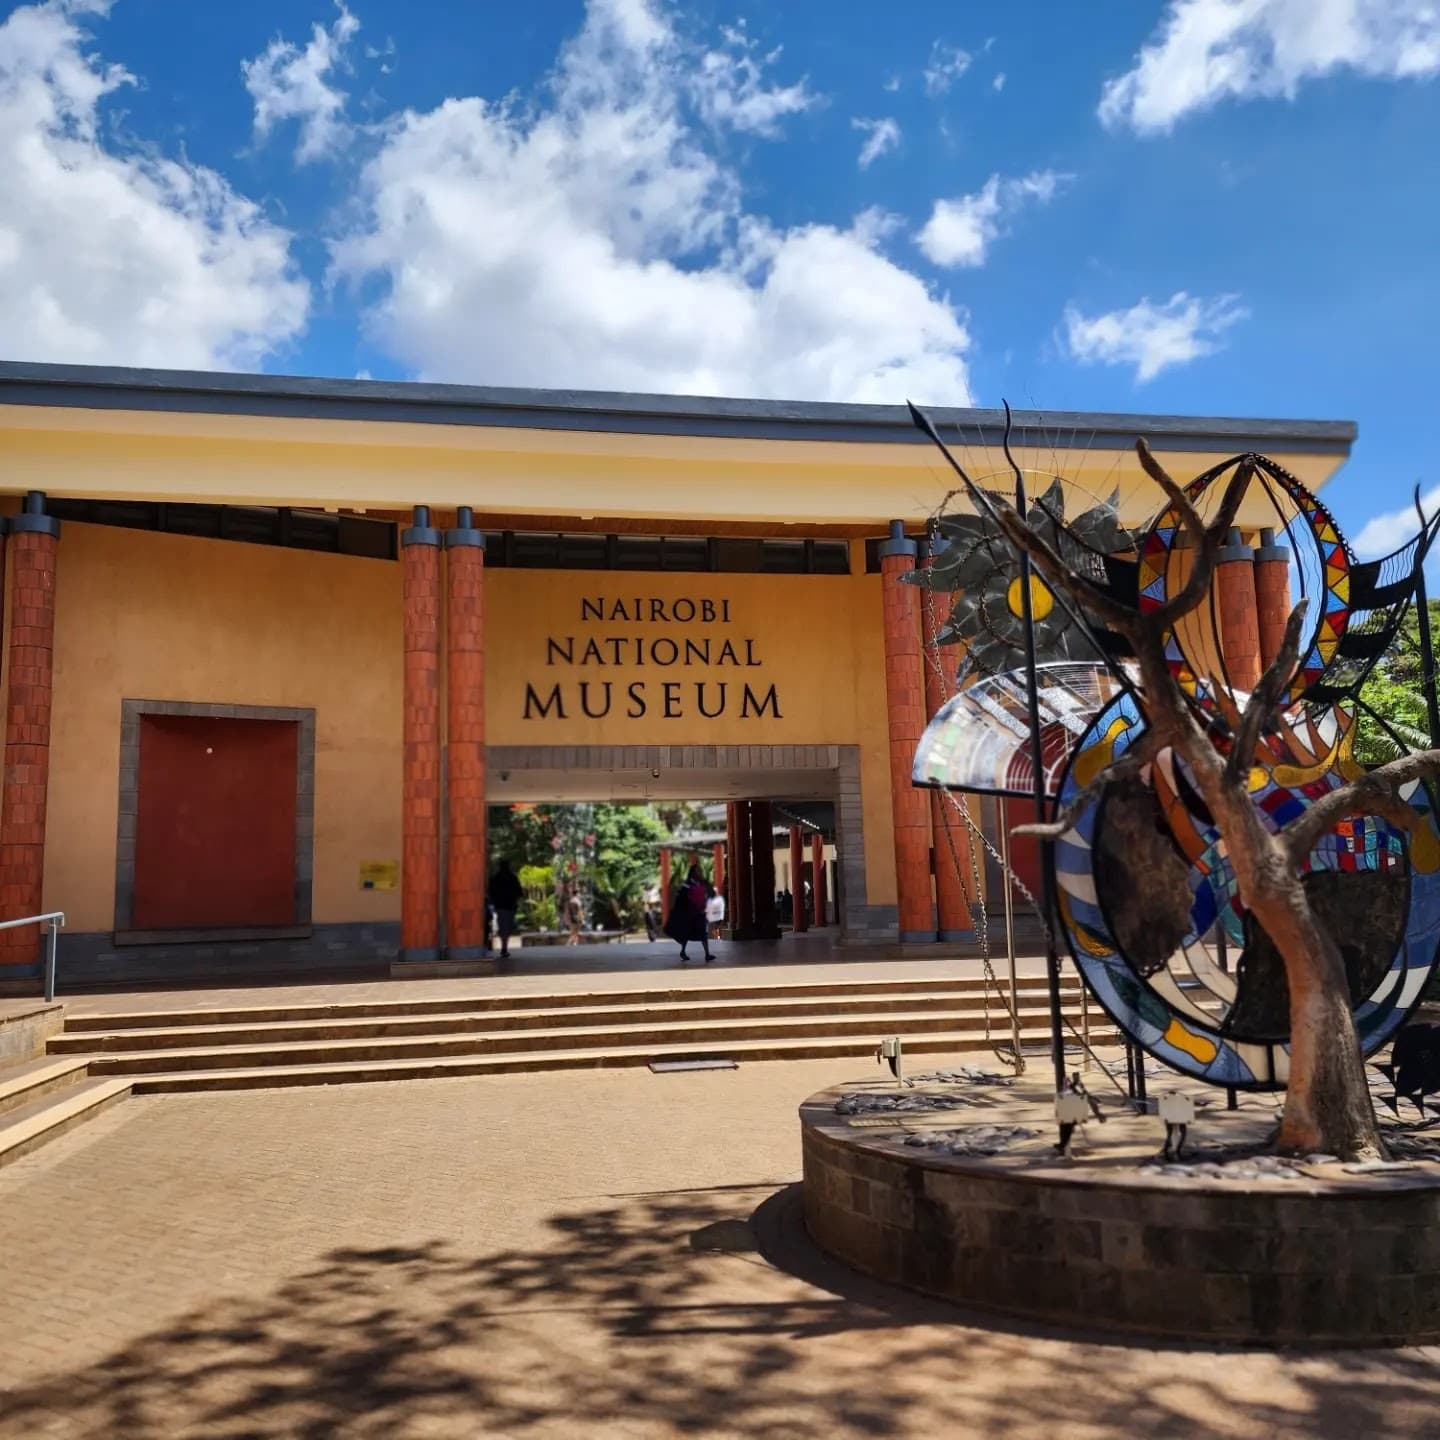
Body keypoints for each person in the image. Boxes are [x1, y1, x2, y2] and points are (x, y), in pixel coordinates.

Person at [664, 864, 713, 963]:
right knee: (686, 933)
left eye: (700, 871)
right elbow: (682, 898)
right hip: (690, 913)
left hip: (700, 912)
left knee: (703, 933)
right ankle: (683, 951)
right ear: (693, 872)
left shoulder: (702, 883)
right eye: (697, 871)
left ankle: (707, 954)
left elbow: (707, 894)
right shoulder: (687, 885)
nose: (699, 873)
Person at [488, 858, 522, 960]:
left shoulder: (496, 879)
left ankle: (504, 946)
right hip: (509, 906)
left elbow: (491, 892)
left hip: (501, 906)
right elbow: (519, 892)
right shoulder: (512, 878)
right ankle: (504, 947)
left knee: (503, 926)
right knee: (507, 926)